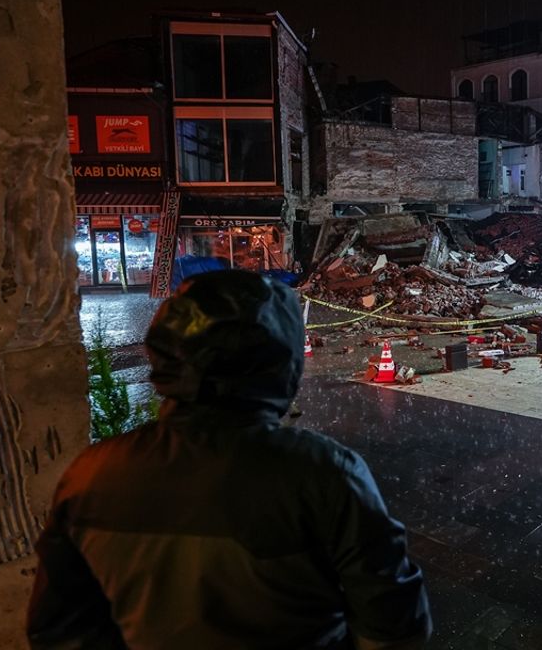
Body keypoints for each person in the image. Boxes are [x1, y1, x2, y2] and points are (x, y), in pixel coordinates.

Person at [27, 270, 431, 650]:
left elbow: (59, 630)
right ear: (280, 363)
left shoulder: (91, 474)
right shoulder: (325, 474)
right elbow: (394, 625)